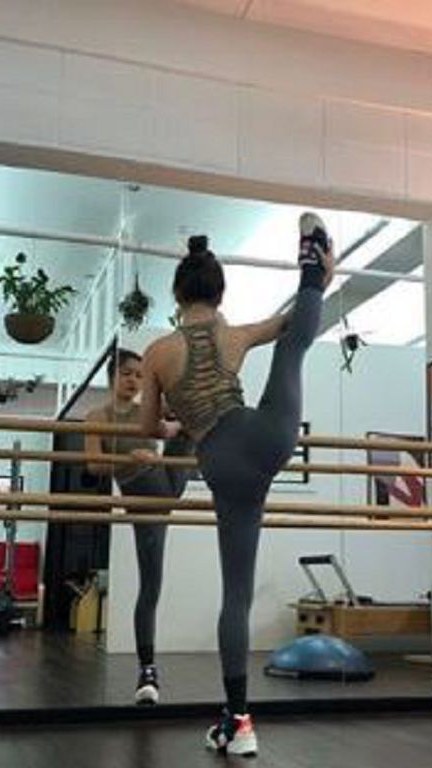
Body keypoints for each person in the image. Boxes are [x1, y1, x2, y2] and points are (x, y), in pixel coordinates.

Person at [140, 213, 333, 756]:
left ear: (176, 296)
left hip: (222, 463)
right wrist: (320, 282)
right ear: (220, 293)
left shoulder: (157, 353)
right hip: (268, 435)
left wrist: (175, 426)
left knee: (236, 595)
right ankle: (310, 259)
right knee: (292, 350)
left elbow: (147, 427)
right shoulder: (236, 333)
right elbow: (291, 325)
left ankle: (239, 722)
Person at [85, 348, 191, 705]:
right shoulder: (97, 416)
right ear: (112, 376)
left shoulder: (148, 410)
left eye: (140, 375)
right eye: (127, 373)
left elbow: (167, 427)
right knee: (151, 587)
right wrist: (129, 456)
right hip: (141, 491)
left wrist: (173, 424)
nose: (134, 380)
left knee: (187, 421)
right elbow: (94, 464)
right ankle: (147, 669)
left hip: (164, 483)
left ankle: (148, 671)